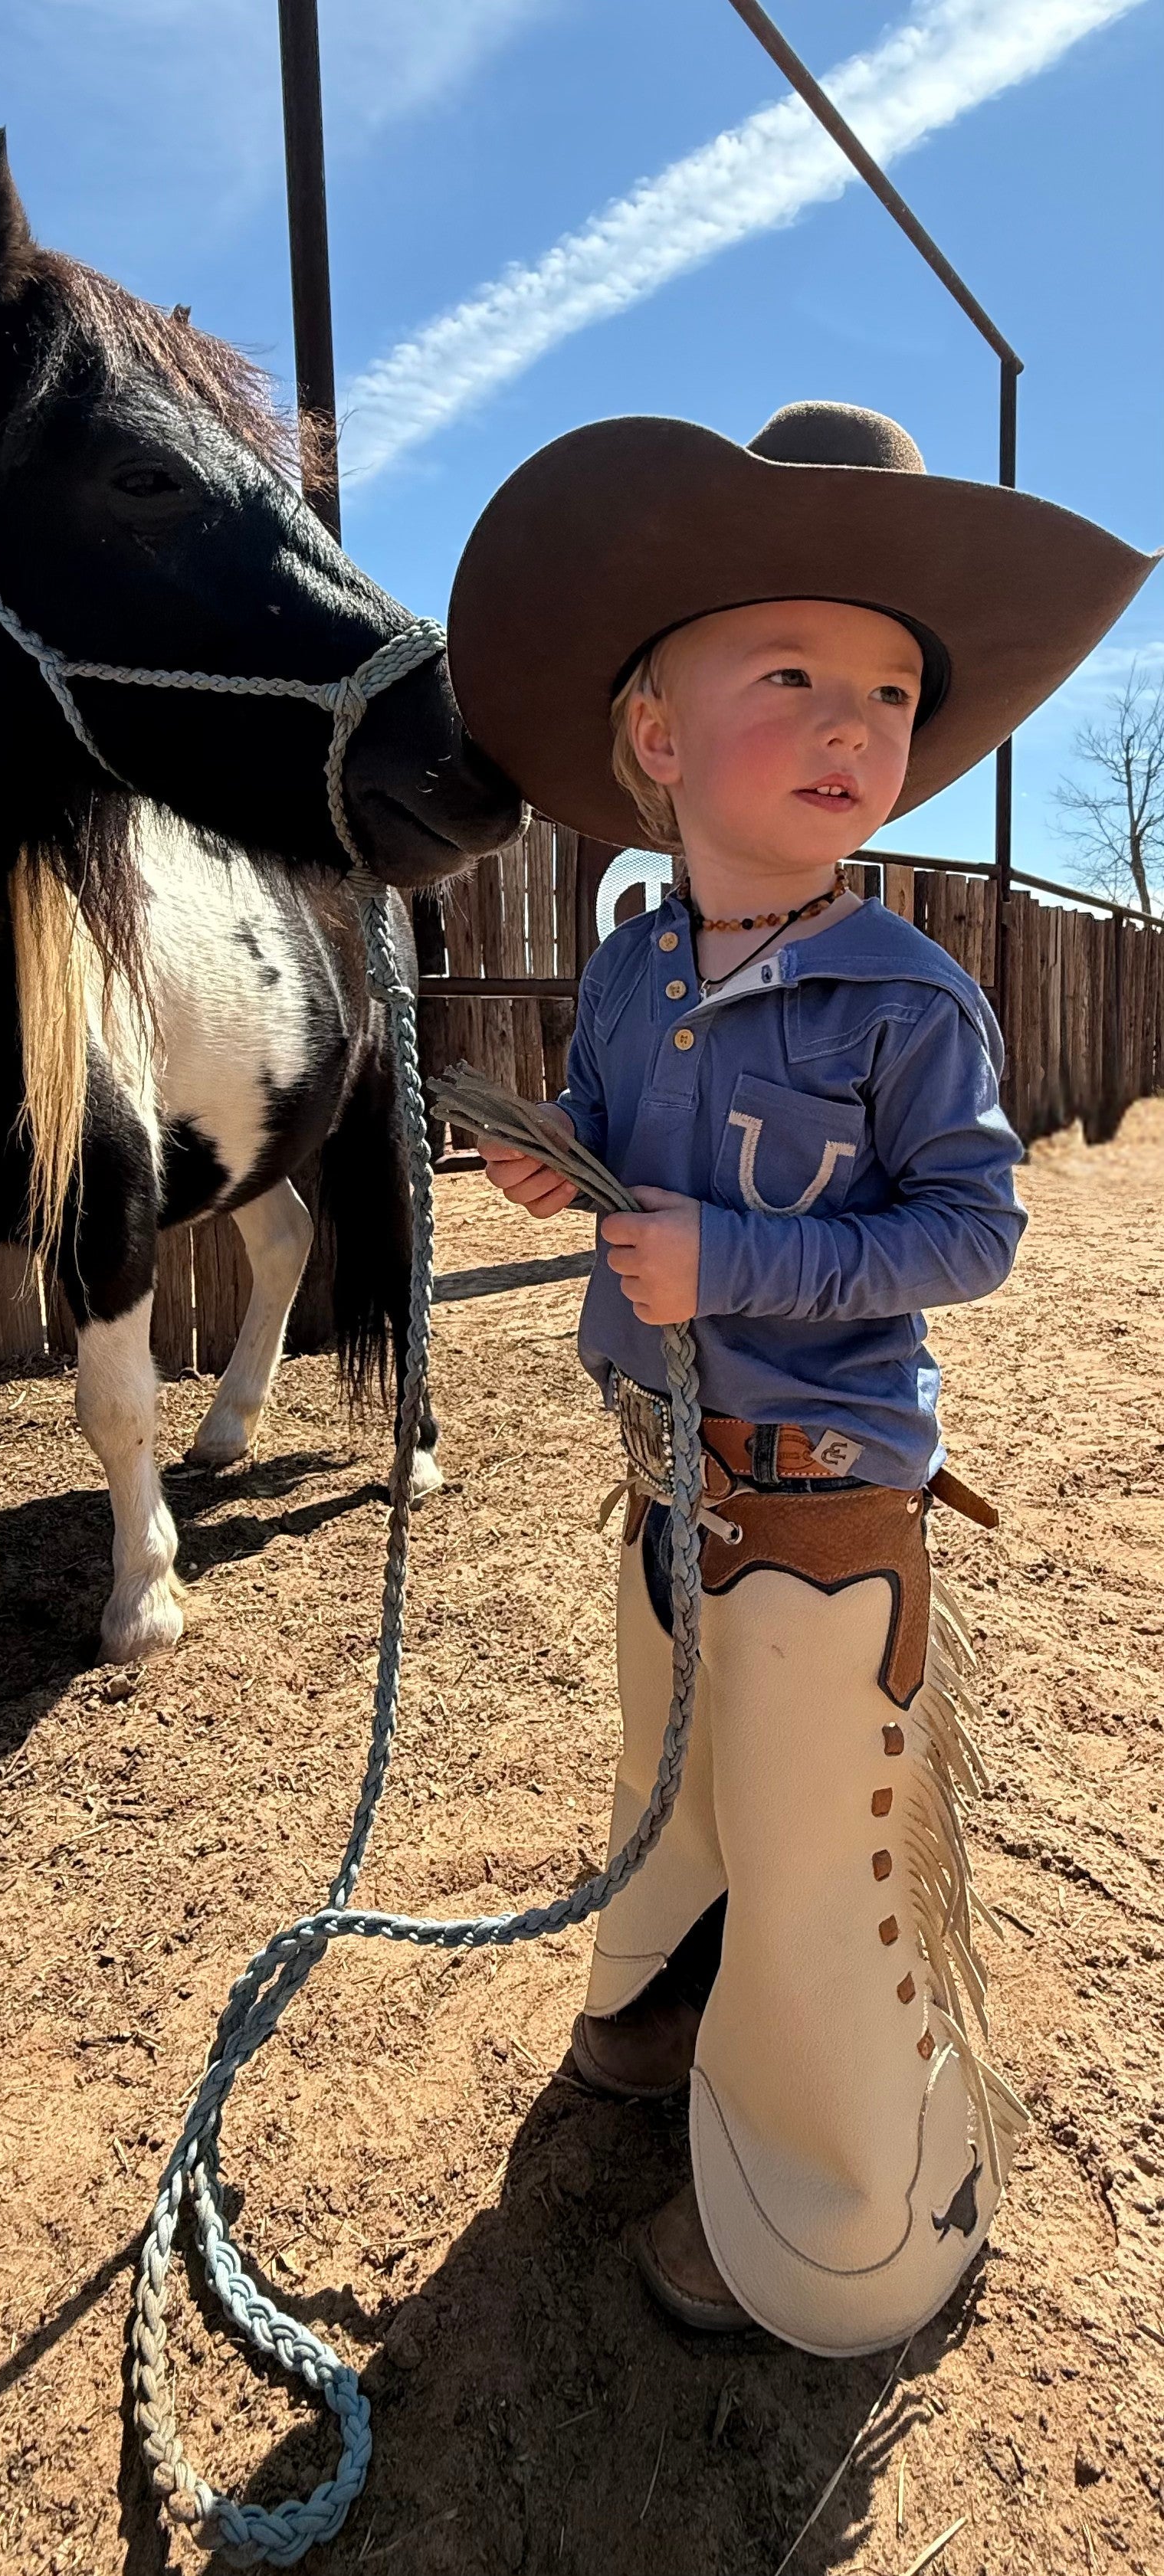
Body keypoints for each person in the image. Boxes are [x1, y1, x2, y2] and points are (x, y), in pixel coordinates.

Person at [444, 401, 1157, 2354]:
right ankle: (662, 2002)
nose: (860, 726)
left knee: (821, 1829)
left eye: (894, 691)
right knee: (679, 1776)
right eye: (797, 675)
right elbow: (608, 1129)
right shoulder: (629, 969)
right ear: (659, 738)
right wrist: (554, 1164)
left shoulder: (913, 1001)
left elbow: (975, 1236)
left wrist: (730, 1256)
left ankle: (853, 2220)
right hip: (668, 1469)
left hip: (825, 1498)